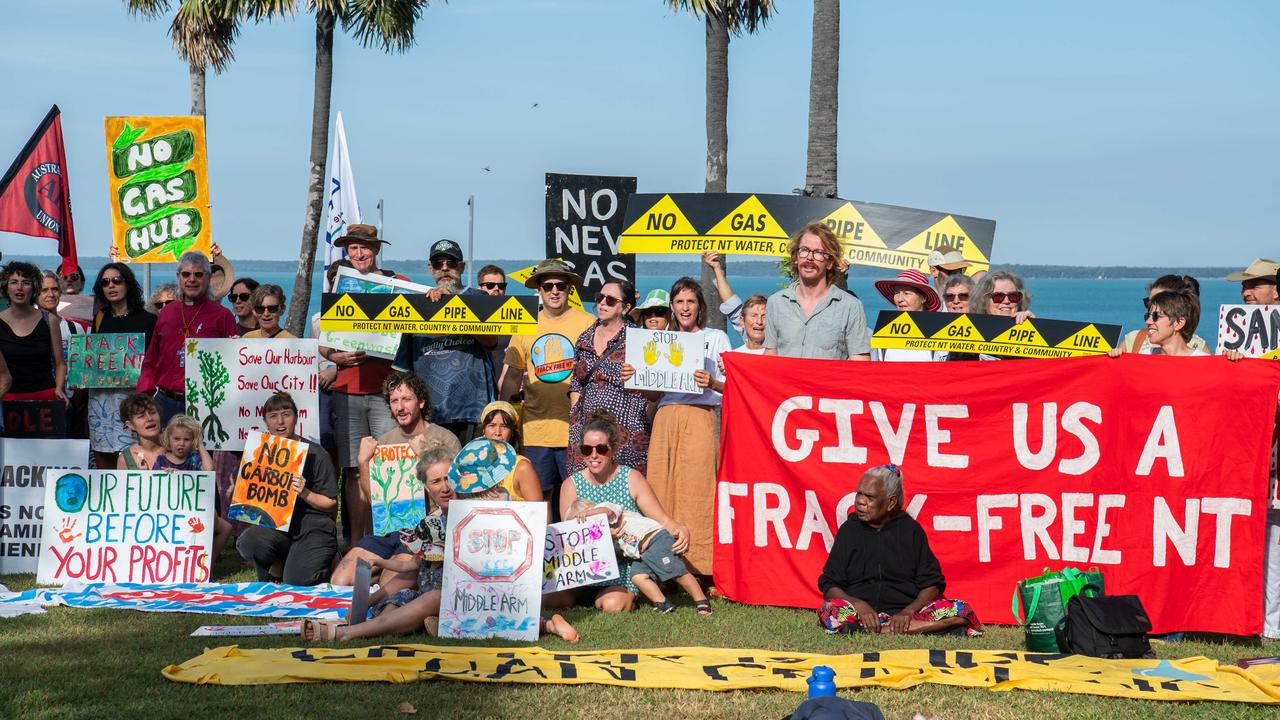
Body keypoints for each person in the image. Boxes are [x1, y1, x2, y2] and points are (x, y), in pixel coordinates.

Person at [300, 443, 579, 642]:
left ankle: (345, 633)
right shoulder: (432, 523)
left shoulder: (488, 509)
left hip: (480, 593)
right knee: (398, 601)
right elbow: (412, 568)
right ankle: (364, 623)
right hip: (443, 593)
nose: (445, 487)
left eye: (449, 479)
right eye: (436, 482)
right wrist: (368, 599)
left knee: (432, 597)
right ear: (426, 487)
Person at [623, 278, 728, 575]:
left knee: (700, 488)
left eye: (690, 302)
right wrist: (636, 377)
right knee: (662, 486)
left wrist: (713, 382)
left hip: (700, 413)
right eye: (679, 302)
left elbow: (731, 386)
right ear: (672, 307)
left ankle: (702, 565)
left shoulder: (716, 337)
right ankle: (663, 563)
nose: (685, 307)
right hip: (666, 417)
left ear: (699, 306)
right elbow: (655, 394)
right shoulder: (658, 340)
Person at [817, 465, 983, 636]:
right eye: (859, 494)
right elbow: (829, 585)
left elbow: (932, 584)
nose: (860, 501)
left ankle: (876, 631)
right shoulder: (849, 530)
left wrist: (908, 612)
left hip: (906, 616)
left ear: (891, 502)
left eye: (870, 497)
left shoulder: (911, 530)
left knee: (961, 609)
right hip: (860, 614)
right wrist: (859, 605)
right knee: (829, 609)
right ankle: (906, 630)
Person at [320, 224, 406, 546]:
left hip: (385, 391)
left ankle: (387, 538)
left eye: (365, 247)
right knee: (355, 470)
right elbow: (325, 344)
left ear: (376, 250)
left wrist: (434, 294)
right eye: (353, 248)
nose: (359, 254)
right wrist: (335, 357)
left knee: (387, 466)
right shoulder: (338, 289)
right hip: (346, 392)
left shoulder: (395, 284)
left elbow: (424, 301)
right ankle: (357, 541)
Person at [559, 410, 690, 613]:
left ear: (613, 450)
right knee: (548, 600)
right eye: (587, 449)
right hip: (585, 568)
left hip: (624, 565)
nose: (594, 455)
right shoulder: (571, 484)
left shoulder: (631, 478)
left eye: (601, 449)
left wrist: (679, 529)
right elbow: (568, 538)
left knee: (613, 605)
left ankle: (630, 593)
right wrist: (601, 537)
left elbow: (660, 518)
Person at [332, 371, 461, 576]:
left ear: (421, 402)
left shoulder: (446, 439)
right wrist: (363, 462)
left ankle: (389, 577)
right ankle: (378, 574)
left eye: (407, 399)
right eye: (394, 401)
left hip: (425, 532)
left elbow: (455, 494)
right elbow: (372, 499)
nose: (400, 407)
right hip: (389, 531)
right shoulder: (384, 441)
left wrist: (424, 459)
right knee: (342, 578)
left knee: (389, 581)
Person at [500, 259, 595, 505]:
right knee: (538, 499)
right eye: (548, 286)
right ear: (539, 290)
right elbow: (512, 375)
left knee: (578, 500)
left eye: (560, 286)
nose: (554, 291)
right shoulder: (525, 324)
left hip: (576, 431)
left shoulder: (588, 323)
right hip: (535, 431)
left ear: (569, 289)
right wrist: (504, 415)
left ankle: (572, 545)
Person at [392, 239, 496, 446]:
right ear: (431, 269)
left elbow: (491, 342)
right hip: (430, 412)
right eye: (439, 264)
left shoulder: (480, 297)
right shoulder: (417, 306)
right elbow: (402, 368)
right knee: (433, 474)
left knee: (470, 474)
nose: (445, 268)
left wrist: (455, 306)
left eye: (452, 263)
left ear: (462, 267)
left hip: (472, 410)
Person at [236, 392, 340, 586]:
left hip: (314, 526)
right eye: (273, 416)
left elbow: (331, 504)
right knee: (247, 541)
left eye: (286, 414)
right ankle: (280, 562)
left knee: (296, 580)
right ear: (265, 421)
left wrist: (305, 493)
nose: (280, 421)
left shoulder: (317, 454)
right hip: (280, 527)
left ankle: (329, 558)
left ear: (296, 417)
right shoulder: (260, 452)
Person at [137, 252, 238, 423]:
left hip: (205, 403)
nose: (192, 280)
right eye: (186, 274)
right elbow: (152, 359)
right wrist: (143, 397)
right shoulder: (167, 312)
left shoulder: (223, 316)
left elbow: (233, 366)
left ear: (208, 277)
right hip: (165, 401)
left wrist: (238, 348)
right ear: (179, 277)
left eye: (198, 274)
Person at [569, 497, 711, 615]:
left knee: (675, 571)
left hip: (655, 539)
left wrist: (590, 514)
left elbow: (606, 511)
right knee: (637, 576)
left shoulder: (606, 508)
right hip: (641, 553)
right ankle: (663, 604)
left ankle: (702, 601)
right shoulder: (602, 535)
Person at [568, 279, 650, 475]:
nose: (602, 303)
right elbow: (576, 383)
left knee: (624, 490)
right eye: (600, 298)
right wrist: (574, 416)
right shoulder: (584, 337)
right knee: (586, 489)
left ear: (626, 307)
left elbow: (653, 388)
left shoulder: (639, 339)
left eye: (611, 300)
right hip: (587, 429)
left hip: (626, 430)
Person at [764, 222, 871, 360]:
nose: (809, 257)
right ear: (796, 257)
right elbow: (770, 356)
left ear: (830, 263)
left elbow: (860, 363)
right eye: (804, 250)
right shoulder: (776, 303)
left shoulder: (851, 306)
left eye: (819, 253)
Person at [88, 263, 157, 469]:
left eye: (117, 280)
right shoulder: (99, 319)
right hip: (101, 399)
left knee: (137, 455)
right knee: (102, 453)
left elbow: (154, 361)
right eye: (105, 282)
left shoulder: (148, 320)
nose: (111, 286)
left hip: (133, 397)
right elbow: (91, 357)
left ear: (128, 284)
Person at [152, 414, 232, 563]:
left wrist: (200, 444)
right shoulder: (161, 459)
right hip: (170, 515)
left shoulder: (194, 459)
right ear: (168, 438)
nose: (181, 444)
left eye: (187, 439)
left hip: (193, 513)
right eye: (176, 439)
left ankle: (207, 564)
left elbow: (209, 471)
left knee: (226, 528)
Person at [0, 262, 66, 404]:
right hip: (8, 400)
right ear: (6, 287)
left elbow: (60, 363)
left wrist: (59, 388)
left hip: (45, 398)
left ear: (34, 288)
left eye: (26, 283)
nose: (19, 288)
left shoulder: (50, 320)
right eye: (14, 282)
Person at [1118, 275, 1208, 354]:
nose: (1153, 306)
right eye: (1149, 303)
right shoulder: (1134, 340)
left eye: (1161, 301)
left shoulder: (1198, 347)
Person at [871, 269, 946, 362]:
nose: (899, 299)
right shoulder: (886, 329)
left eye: (906, 293)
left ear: (923, 298)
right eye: (896, 293)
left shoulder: (939, 330)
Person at [478, 400, 544, 502]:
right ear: (483, 429)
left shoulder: (522, 468)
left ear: (512, 431)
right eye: (492, 425)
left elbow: (537, 512)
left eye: (504, 426)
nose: (497, 432)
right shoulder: (474, 463)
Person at [475, 263, 511, 388]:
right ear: (479, 288)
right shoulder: (471, 318)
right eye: (490, 285)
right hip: (480, 388)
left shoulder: (516, 319)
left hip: (506, 390)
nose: (496, 289)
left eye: (501, 286)